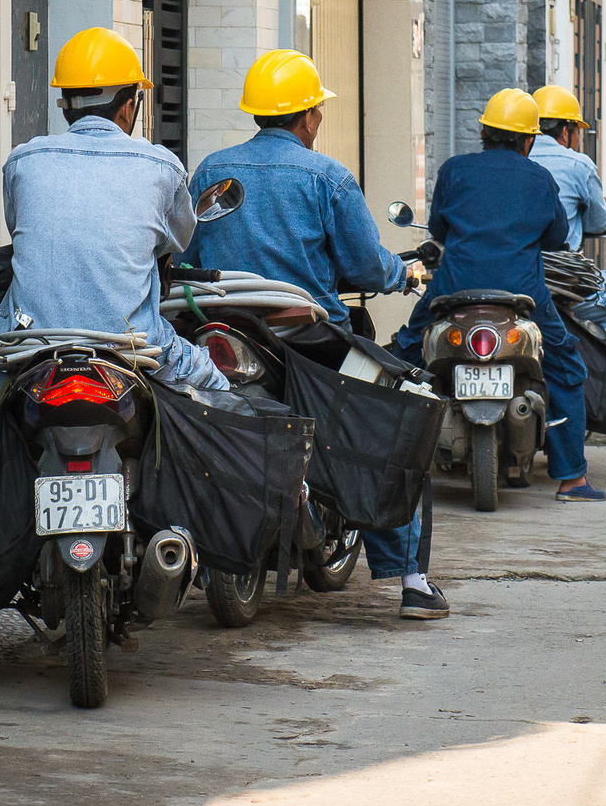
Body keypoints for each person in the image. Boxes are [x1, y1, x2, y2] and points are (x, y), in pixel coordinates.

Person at [188, 49, 448, 620]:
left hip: (223, 333)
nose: (319, 121)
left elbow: (186, 255)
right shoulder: (325, 175)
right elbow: (364, 266)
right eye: (318, 111)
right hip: (309, 339)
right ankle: (412, 580)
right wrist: (399, 273)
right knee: (385, 423)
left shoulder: (210, 170)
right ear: (306, 116)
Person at [0, 26, 226, 464]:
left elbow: (20, 229)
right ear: (130, 104)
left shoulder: (23, 161)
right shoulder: (160, 166)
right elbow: (177, 240)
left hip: (26, 344)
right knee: (220, 393)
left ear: (64, 104)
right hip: (135, 347)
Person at [395, 89, 605, 502]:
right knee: (564, 367)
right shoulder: (540, 178)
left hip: (452, 288)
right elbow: (557, 237)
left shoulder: (455, 170)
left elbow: (437, 229)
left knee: (404, 353)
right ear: (528, 140)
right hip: (523, 294)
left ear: (485, 133)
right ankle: (571, 479)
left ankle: (383, 464)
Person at [528, 84, 606, 338]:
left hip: (513, 275)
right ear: (566, 131)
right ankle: (600, 373)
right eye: (578, 131)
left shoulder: (515, 159)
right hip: (560, 280)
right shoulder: (578, 164)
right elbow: (598, 223)